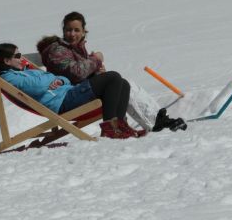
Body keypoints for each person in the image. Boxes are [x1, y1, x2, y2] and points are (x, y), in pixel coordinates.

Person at [36, 11, 187, 132]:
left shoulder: (76, 50)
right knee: (114, 78)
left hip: (79, 92)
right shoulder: (57, 50)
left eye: (77, 30)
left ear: (84, 32)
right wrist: (96, 60)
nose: (72, 34)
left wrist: (98, 73)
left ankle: (145, 122)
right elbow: (77, 73)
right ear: (63, 31)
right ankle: (120, 127)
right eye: (69, 30)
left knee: (123, 83)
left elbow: (80, 74)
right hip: (68, 97)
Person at [0, 43, 147, 139]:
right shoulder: (10, 78)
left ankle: (119, 127)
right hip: (63, 102)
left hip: (68, 92)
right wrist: (51, 80)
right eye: (17, 56)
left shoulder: (25, 71)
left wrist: (58, 80)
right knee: (112, 77)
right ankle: (110, 129)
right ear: (6, 61)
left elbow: (56, 78)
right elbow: (38, 86)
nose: (22, 58)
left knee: (123, 83)